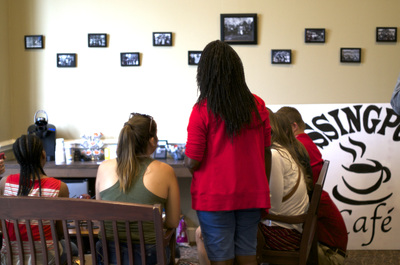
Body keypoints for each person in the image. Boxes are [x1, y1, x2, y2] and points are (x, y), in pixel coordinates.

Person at [185, 40, 272, 265]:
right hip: (252, 194)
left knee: (221, 258)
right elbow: (266, 152)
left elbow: (193, 161)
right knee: (247, 253)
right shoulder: (258, 106)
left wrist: (187, 160)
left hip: (215, 198)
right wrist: (263, 186)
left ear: (204, 74)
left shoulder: (202, 109)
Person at [95, 112, 181, 265]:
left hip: (108, 254)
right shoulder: (165, 170)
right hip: (148, 255)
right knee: (177, 250)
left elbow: (98, 218)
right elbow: (173, 222)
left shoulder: (103, 168)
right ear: (152, 140)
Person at [277, 106, 348, 265]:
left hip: (328, 253)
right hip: (331, 247)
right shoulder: (306, 144)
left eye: (280, 129)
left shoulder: (297, 147)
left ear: (293, 126)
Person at [0, 134, 77, 265]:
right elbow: (60, 231)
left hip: (11, 257)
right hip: (47, 258)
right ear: (43, 155)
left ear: (18, 159)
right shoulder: (60, 188)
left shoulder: (5, 183)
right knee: (73, 248)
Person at [259, 110, 310, 250]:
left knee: (219, 234)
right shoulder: (284, 150)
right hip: (291, 227)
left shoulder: (275, 155)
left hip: (285, 233)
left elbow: (273, 207)